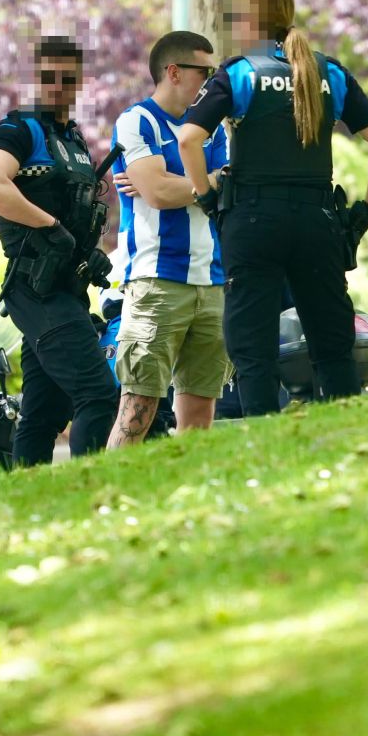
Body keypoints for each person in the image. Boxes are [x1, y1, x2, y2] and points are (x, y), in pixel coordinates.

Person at [176, 0, 368, 417]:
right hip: (318, 220)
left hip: (253, 220)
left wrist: (206, 199)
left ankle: (262, 435)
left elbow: (188, 138)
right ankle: (344, 428)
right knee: (331, 340)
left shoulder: (239, 72)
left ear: (253, 21)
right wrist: (367, 210)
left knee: (252, 346)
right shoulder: (327, 71)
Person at [0, 36, 120, 464]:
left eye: (67, 78)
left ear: (79, 84)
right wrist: (48, 225)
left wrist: (87, 252)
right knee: (97, 394)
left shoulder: (73, 140)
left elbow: (77, 215)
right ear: (34, 79)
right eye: (48, 77)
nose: (57, 85)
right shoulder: (18, 130)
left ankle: (24, 493)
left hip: (66, 288)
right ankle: (89, 491)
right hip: (35, 290)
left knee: (43, 414)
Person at [106, 31, 232, 447]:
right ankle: (108, 500)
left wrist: (181, 185)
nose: (213, 82)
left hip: (212, 283)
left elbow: (231, 188)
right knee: (137, 409)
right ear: (174, 72)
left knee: (199, 417)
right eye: (205, 72)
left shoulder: (212, 130)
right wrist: (207, 184)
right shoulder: (136, 120)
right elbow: (160, 195)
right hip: (155, 284)